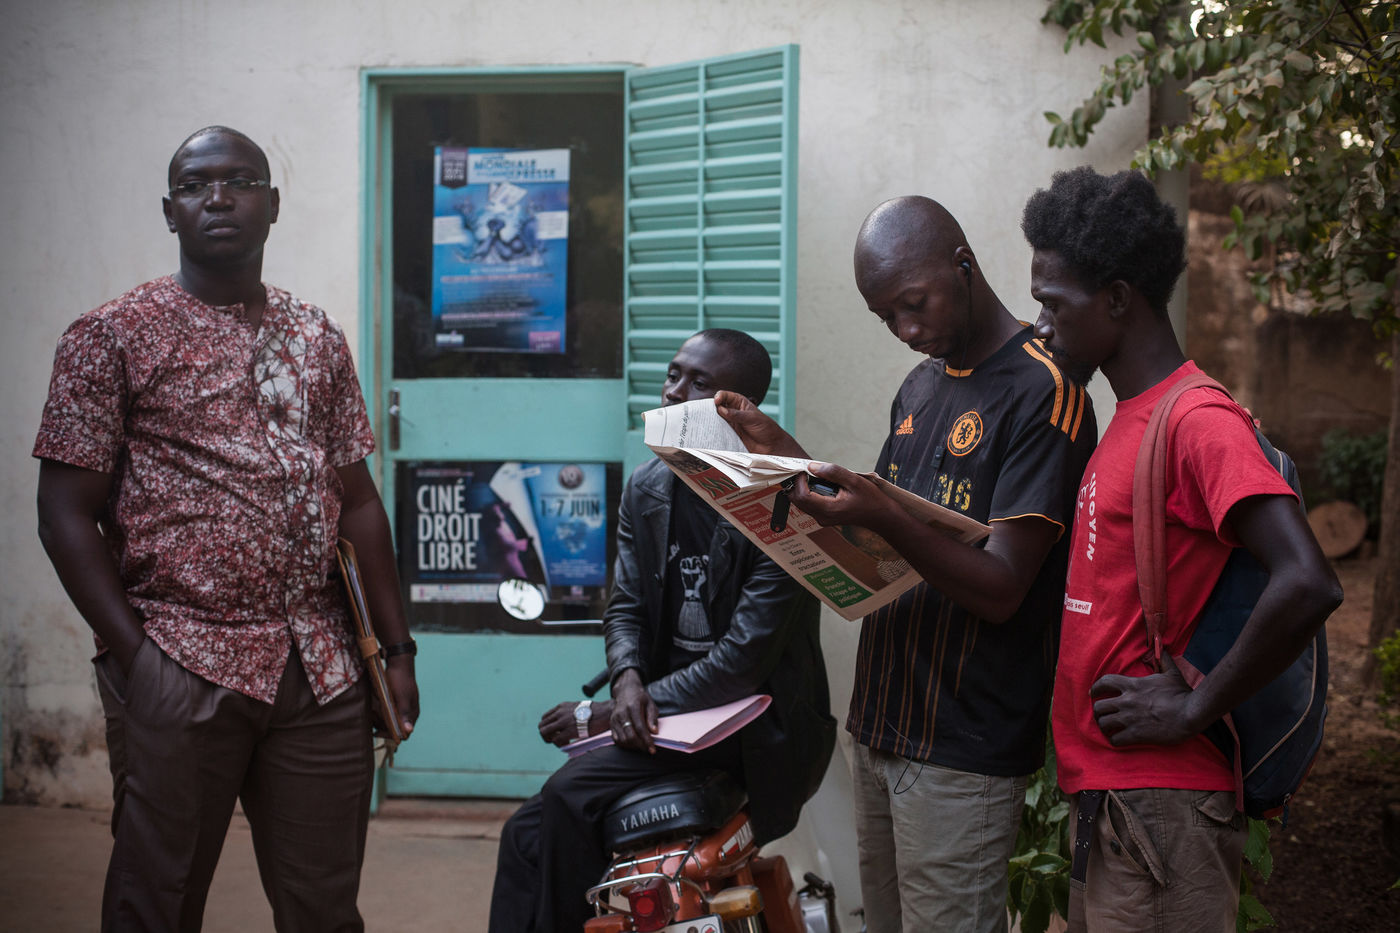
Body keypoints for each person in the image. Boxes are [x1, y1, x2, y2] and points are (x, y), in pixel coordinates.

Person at [33, 126, 420, 933]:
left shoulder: (316, 336)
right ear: (169, 210)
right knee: (157, 901)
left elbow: (356, 498)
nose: (218, 197)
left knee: (324, 908)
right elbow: (65, 510)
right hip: (183, 654)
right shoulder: (112, 335)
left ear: (272, 204)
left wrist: (397, 648)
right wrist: (139, 658)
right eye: (195, 184)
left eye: (240, 181)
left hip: (319, 667)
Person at [716, 197, 1097, 933]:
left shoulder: (1046, 394)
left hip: (962, 749)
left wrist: (883, 516)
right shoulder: (920, 386)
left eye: (914, 305)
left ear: (963, 265)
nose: (906, 331)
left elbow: (1003, 588)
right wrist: (780, 454)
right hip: (880, 727)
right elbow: (884, 534)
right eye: (885, 317)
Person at [1020, 166, 1342, 932]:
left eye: (1053, 304)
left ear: (1117, 299)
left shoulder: (1197, 420)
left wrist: (1197, 703)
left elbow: (1308, 579)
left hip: (1164, 809)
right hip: (1117, 803)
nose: (1041, 326)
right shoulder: (1131, 416)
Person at [488, 329, 836, 933]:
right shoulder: (648, 487)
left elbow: (741, 666)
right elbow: (625, 605)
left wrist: (607, 714)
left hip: (755, 729)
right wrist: (626, 682)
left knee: (569, 794)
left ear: (739, 408)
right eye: (674, 374)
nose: (674, 391)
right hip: (670, 718)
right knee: (523, 835)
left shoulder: (779, 508)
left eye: (699, 384)